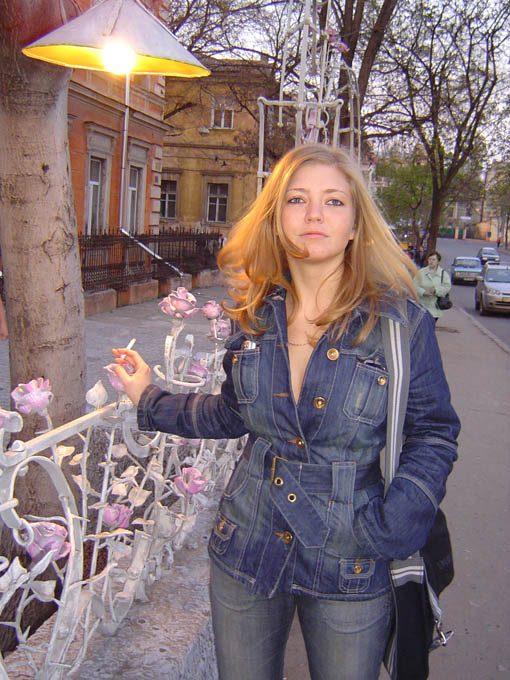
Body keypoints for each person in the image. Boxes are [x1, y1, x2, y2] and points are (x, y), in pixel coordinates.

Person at [111, 144, 460, 680]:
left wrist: (396, 523)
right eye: (297, 199)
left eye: (334, 201)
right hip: (248, 548)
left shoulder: (399, 323)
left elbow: (433, 433)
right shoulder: (254, 317)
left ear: (355, 225)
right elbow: (231, 414)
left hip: (353, 554)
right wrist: (149, 398)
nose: (315, 214)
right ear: (276, 220)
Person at [413, 251, 452, 324]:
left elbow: (447, 287)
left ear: (438, 261)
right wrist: (423, 292)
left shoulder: (443, 274)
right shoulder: (421, 272)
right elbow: (414, 285)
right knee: (422, 327)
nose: (431, 261)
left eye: (433, 259)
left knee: (430, 327)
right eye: (430, 259)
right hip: (422, 305)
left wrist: (436, 291)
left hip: (435, 307)